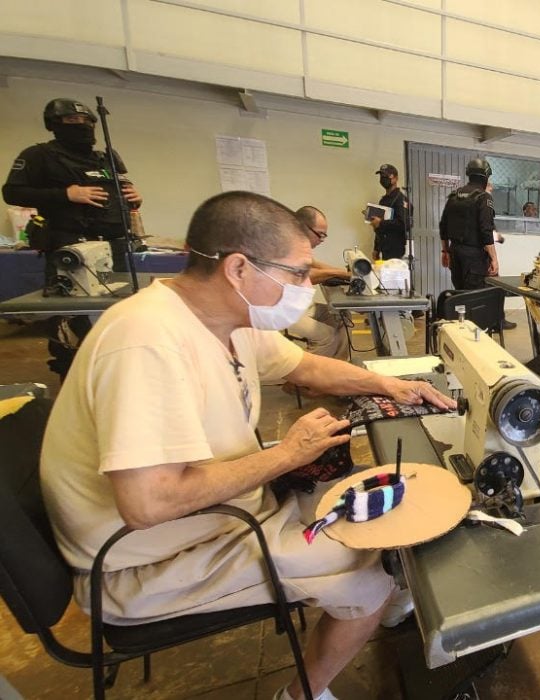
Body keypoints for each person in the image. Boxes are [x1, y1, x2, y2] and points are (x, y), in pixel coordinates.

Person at [39, 191, 457, 700]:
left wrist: (389, 385)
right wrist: (285, 455)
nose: (306, 286)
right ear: (238, 268)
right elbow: (150, 502)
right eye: (299, 273)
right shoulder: (147, 342)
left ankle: (388, 602)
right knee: (368, 574)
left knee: (380, 511)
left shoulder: (224, 317)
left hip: (218, 517)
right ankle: (304, 691)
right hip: (144, 564)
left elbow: (304, 366)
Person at [2, 97, 144, 377]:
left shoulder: (105, 158)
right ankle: (72, 373)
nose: (81, 127)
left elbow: (122, 191)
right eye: (71, 122)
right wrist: (65, 194)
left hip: (112, 245)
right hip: (70, 245)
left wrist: (134, 198)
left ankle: (115, 368)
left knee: (118, 311)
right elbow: (12, 193)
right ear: (54, 125)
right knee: (72, 315)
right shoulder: (38, 155)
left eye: (87, 122)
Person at [439, 158, 515, 329]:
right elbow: (486, 231)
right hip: (473, 258)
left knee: (461, 296)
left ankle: (461, 331)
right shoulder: (483, 198)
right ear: (486, 176)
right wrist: (494, 259)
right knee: (476, 299)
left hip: (455, 253)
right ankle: (476, 335)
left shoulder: (454, 196)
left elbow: (443, 226)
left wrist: (445, 252)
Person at [285, 206, 351, 361]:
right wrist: (341, 273)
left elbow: (314, 265)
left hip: (302, 306)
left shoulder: (302, 247)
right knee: (326, 336)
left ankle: (339, 367)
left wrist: (349, 274)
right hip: (284, 313)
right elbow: (304, 276)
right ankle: (300, 379)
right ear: (302, 227)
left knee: (342, 317)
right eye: (320, 235)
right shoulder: (285, 247)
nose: (321, 240)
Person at [370, 164, 411, 261]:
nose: (383, 179)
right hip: (385, 249)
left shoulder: (401, 200)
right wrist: (376, 248)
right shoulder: (383, 201)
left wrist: (381, 222)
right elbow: (379, 229)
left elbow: (403, 224)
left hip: (397, 251)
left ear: (395, 178)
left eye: (386, 176)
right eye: (381, 176)